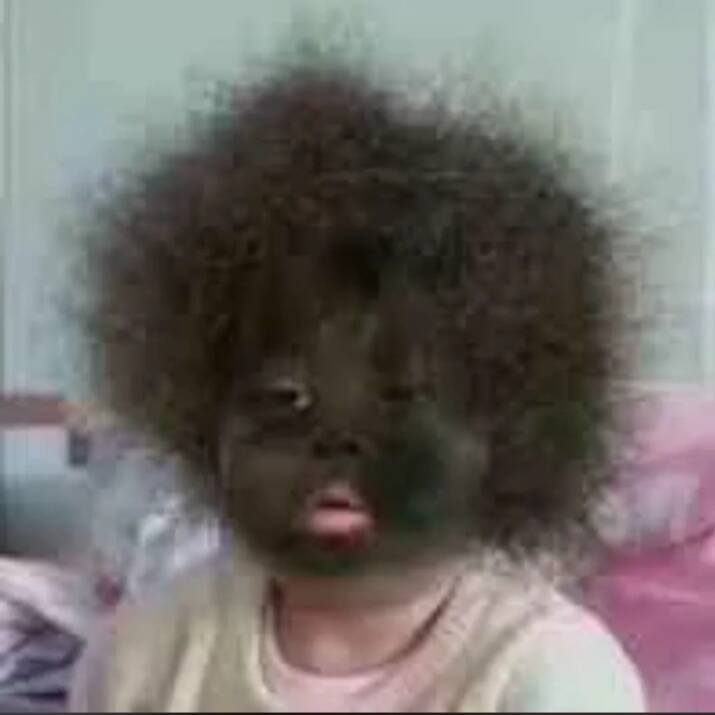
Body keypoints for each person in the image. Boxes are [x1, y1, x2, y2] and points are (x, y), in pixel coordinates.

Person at [71, 48, 645, 712]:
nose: (337, 440)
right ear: (203, 422)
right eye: (285, 399)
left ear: (513, 441)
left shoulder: (552, 675)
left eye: (402, 400)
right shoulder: (142, 656)